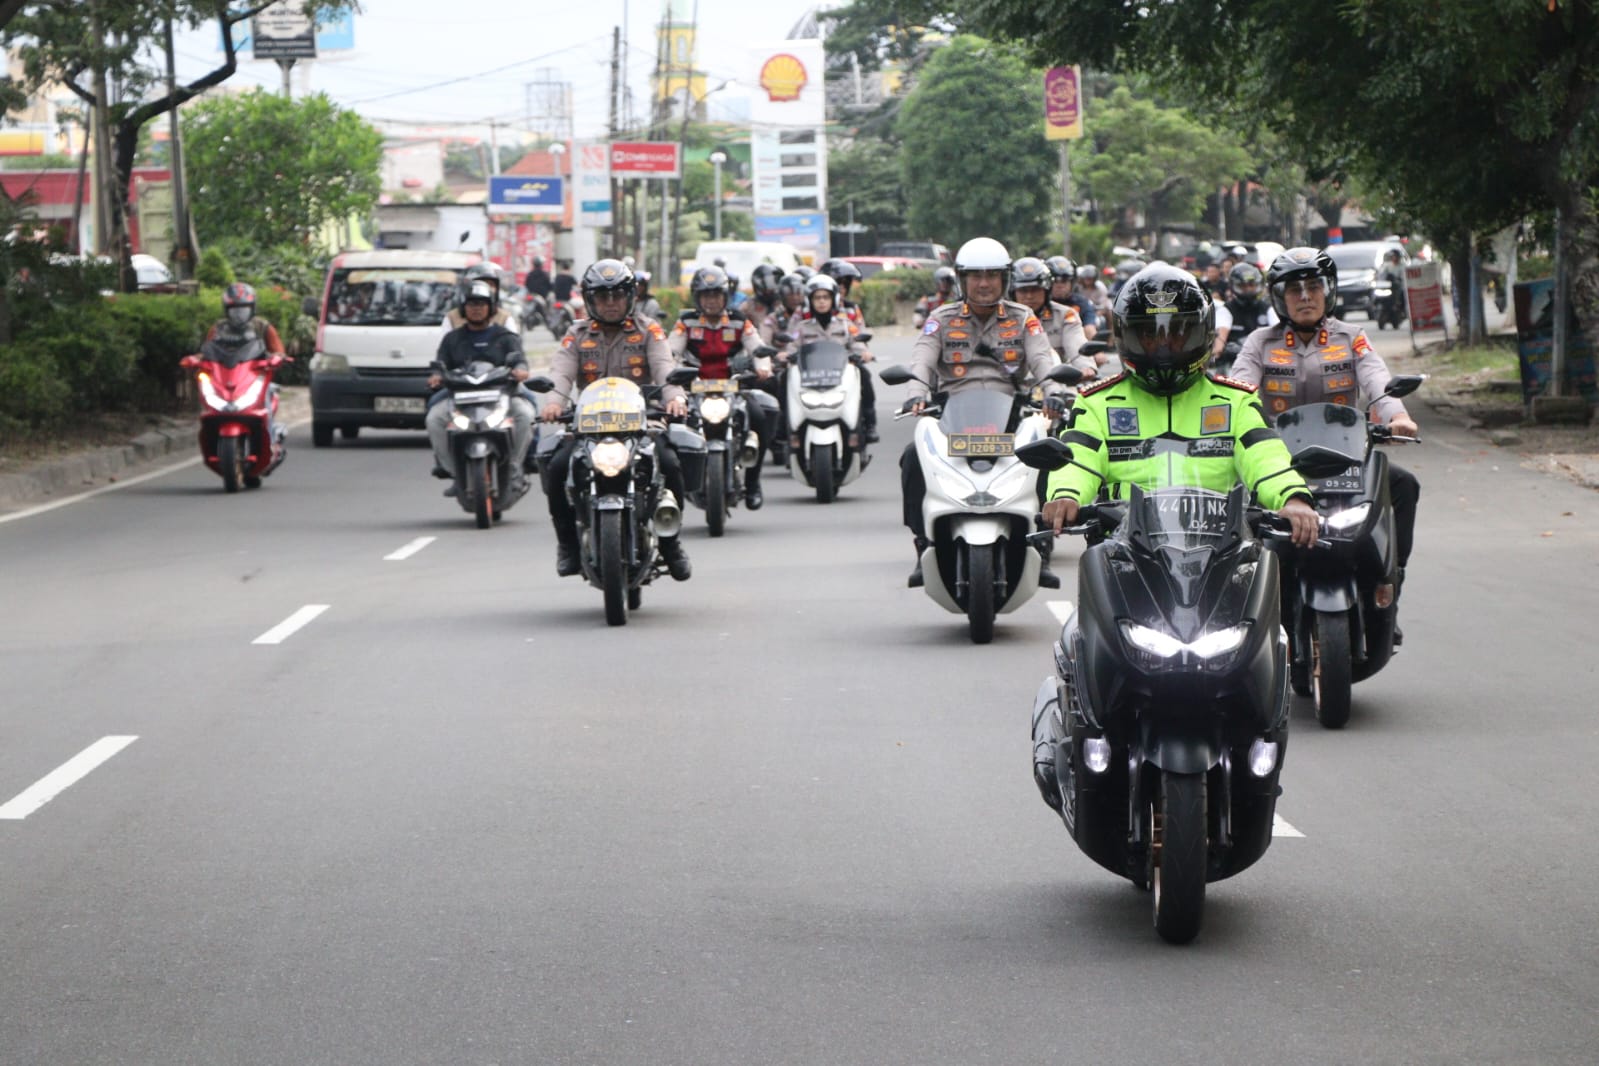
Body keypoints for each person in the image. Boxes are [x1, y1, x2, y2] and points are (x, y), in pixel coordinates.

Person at [1041, 263, 1320, 551]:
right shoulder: (1098, 403)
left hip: (1220, 554)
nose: (1163, 347)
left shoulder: (1233, 402)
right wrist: (1066, 494)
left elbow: (1265, 456)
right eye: (1150, 336)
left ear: (1203, 333)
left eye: (1177, 334)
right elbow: (1078, 458)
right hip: (1125, 552)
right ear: (1127, 336)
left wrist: (1292, 497)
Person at [1231, 247, 1420, 619]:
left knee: (1403, 486)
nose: (1305, 297)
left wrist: (1397, 415)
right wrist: (1232, 419)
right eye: (1294, 289)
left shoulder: (1352, 337)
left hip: (1345, 459)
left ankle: (1389, 582)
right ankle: (1242, 601)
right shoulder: (1259, 343)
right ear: (1279, 298)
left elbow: (1377, 380)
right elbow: (1240, 390)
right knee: (1234, 500)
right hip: (1279, 463)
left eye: (1314, 287)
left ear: (1328, 291)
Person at [903, 236, 1070, 588]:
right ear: (961, 281)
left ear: (1004, 279)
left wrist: (1055, 393)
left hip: (1010, 413)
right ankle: (923, 545)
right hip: (951, 415)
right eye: (975, 276)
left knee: (1045, 453)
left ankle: (1042, 547)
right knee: (911, 458)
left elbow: (1042, 360)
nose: (983, 284)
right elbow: (922, 358)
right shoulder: (941, 318)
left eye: (992, 275)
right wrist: (916, 393)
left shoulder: (1024, 319)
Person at [540, 259, 692, 581]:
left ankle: (671, 542)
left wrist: (675, 398)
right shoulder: (576, 333)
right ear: (589, 299)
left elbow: (665, 366)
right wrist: (553, 403)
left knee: (671, 462)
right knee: (556, 467)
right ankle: (566, 543)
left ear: (630, 296)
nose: (610, 303)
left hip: (643, 423)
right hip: (589, 426)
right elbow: (561, 373)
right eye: (602, 296)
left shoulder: (649, 329)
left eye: (617, 296)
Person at [670, 265, 777, 509]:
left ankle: (752, 483)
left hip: (733, 387)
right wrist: (669, 370)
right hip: (694, 388)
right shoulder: (686, 322)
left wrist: (763, 367)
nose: (711, 301)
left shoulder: (739, 321)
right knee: (671, 425)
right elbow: (671, 350)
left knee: (761, 415)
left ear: (725, 296)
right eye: (706, 295)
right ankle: (672, 490)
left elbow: (756, 346)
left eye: (716, 295)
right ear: (697, 297)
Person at [426, 278, 534, 497]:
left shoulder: (506, 337)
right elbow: (441, 364)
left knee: (527, 413)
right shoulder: (452, 339)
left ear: (491, 308)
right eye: (471, 304)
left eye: (481, 304)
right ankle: (452, 471)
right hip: (459, 395)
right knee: (433, 418)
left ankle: (519, 465)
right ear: (463, 309)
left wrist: (520, 370)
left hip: (502, 394)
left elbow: (520, 361)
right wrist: (437, 376)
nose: (476, 309)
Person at [208, 282, 288, 443]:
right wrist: (196, 359)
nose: (239, 315)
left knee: (265, 396)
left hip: (255, 376)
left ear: (252, 308)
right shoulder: (219, 328)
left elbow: (279, 350)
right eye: (234, 310)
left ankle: (270, 439)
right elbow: (206, 349)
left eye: (243, 309)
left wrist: (277, 357)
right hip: (228, 376)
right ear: (226, 310)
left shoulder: (262, 326)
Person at [1009, 256, 1092, 375]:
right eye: (1023, 290)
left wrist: (1085, 367)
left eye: (1035, 290)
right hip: (1013, 387)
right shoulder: (1001, 317)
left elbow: (1076, 342)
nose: (1029, 296)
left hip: (1058, 382)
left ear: (1047, 290)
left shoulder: (1065, 315)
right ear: (1012, 292)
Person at [1212, 262, 1276, 362]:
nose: (1248, 289)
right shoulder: (1226, 310)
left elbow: (1281, 335)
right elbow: (1219, 341)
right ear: (1234, 286)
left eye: (1251, 285)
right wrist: (1217, 352)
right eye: (1243, 286)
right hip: (1234, 364)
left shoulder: (1268, 309)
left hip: (1266, 361)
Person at [440, 263, 520, 337]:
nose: (485, 289)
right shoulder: (452, 318)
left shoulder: (504, 318)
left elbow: (513, 346)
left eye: (491, 285)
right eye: (481, 284)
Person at [818, 258, 867, 327]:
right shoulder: (811, 310)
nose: (842, 287)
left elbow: (860, 332)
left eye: (846, 283)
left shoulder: (852, 309)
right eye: (838, 282)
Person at [745, 264, 786, 342]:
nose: (773, 290)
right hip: (757, 344)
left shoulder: (785, 304)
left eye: (776, 282)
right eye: (770, 284)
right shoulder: (748, 306)